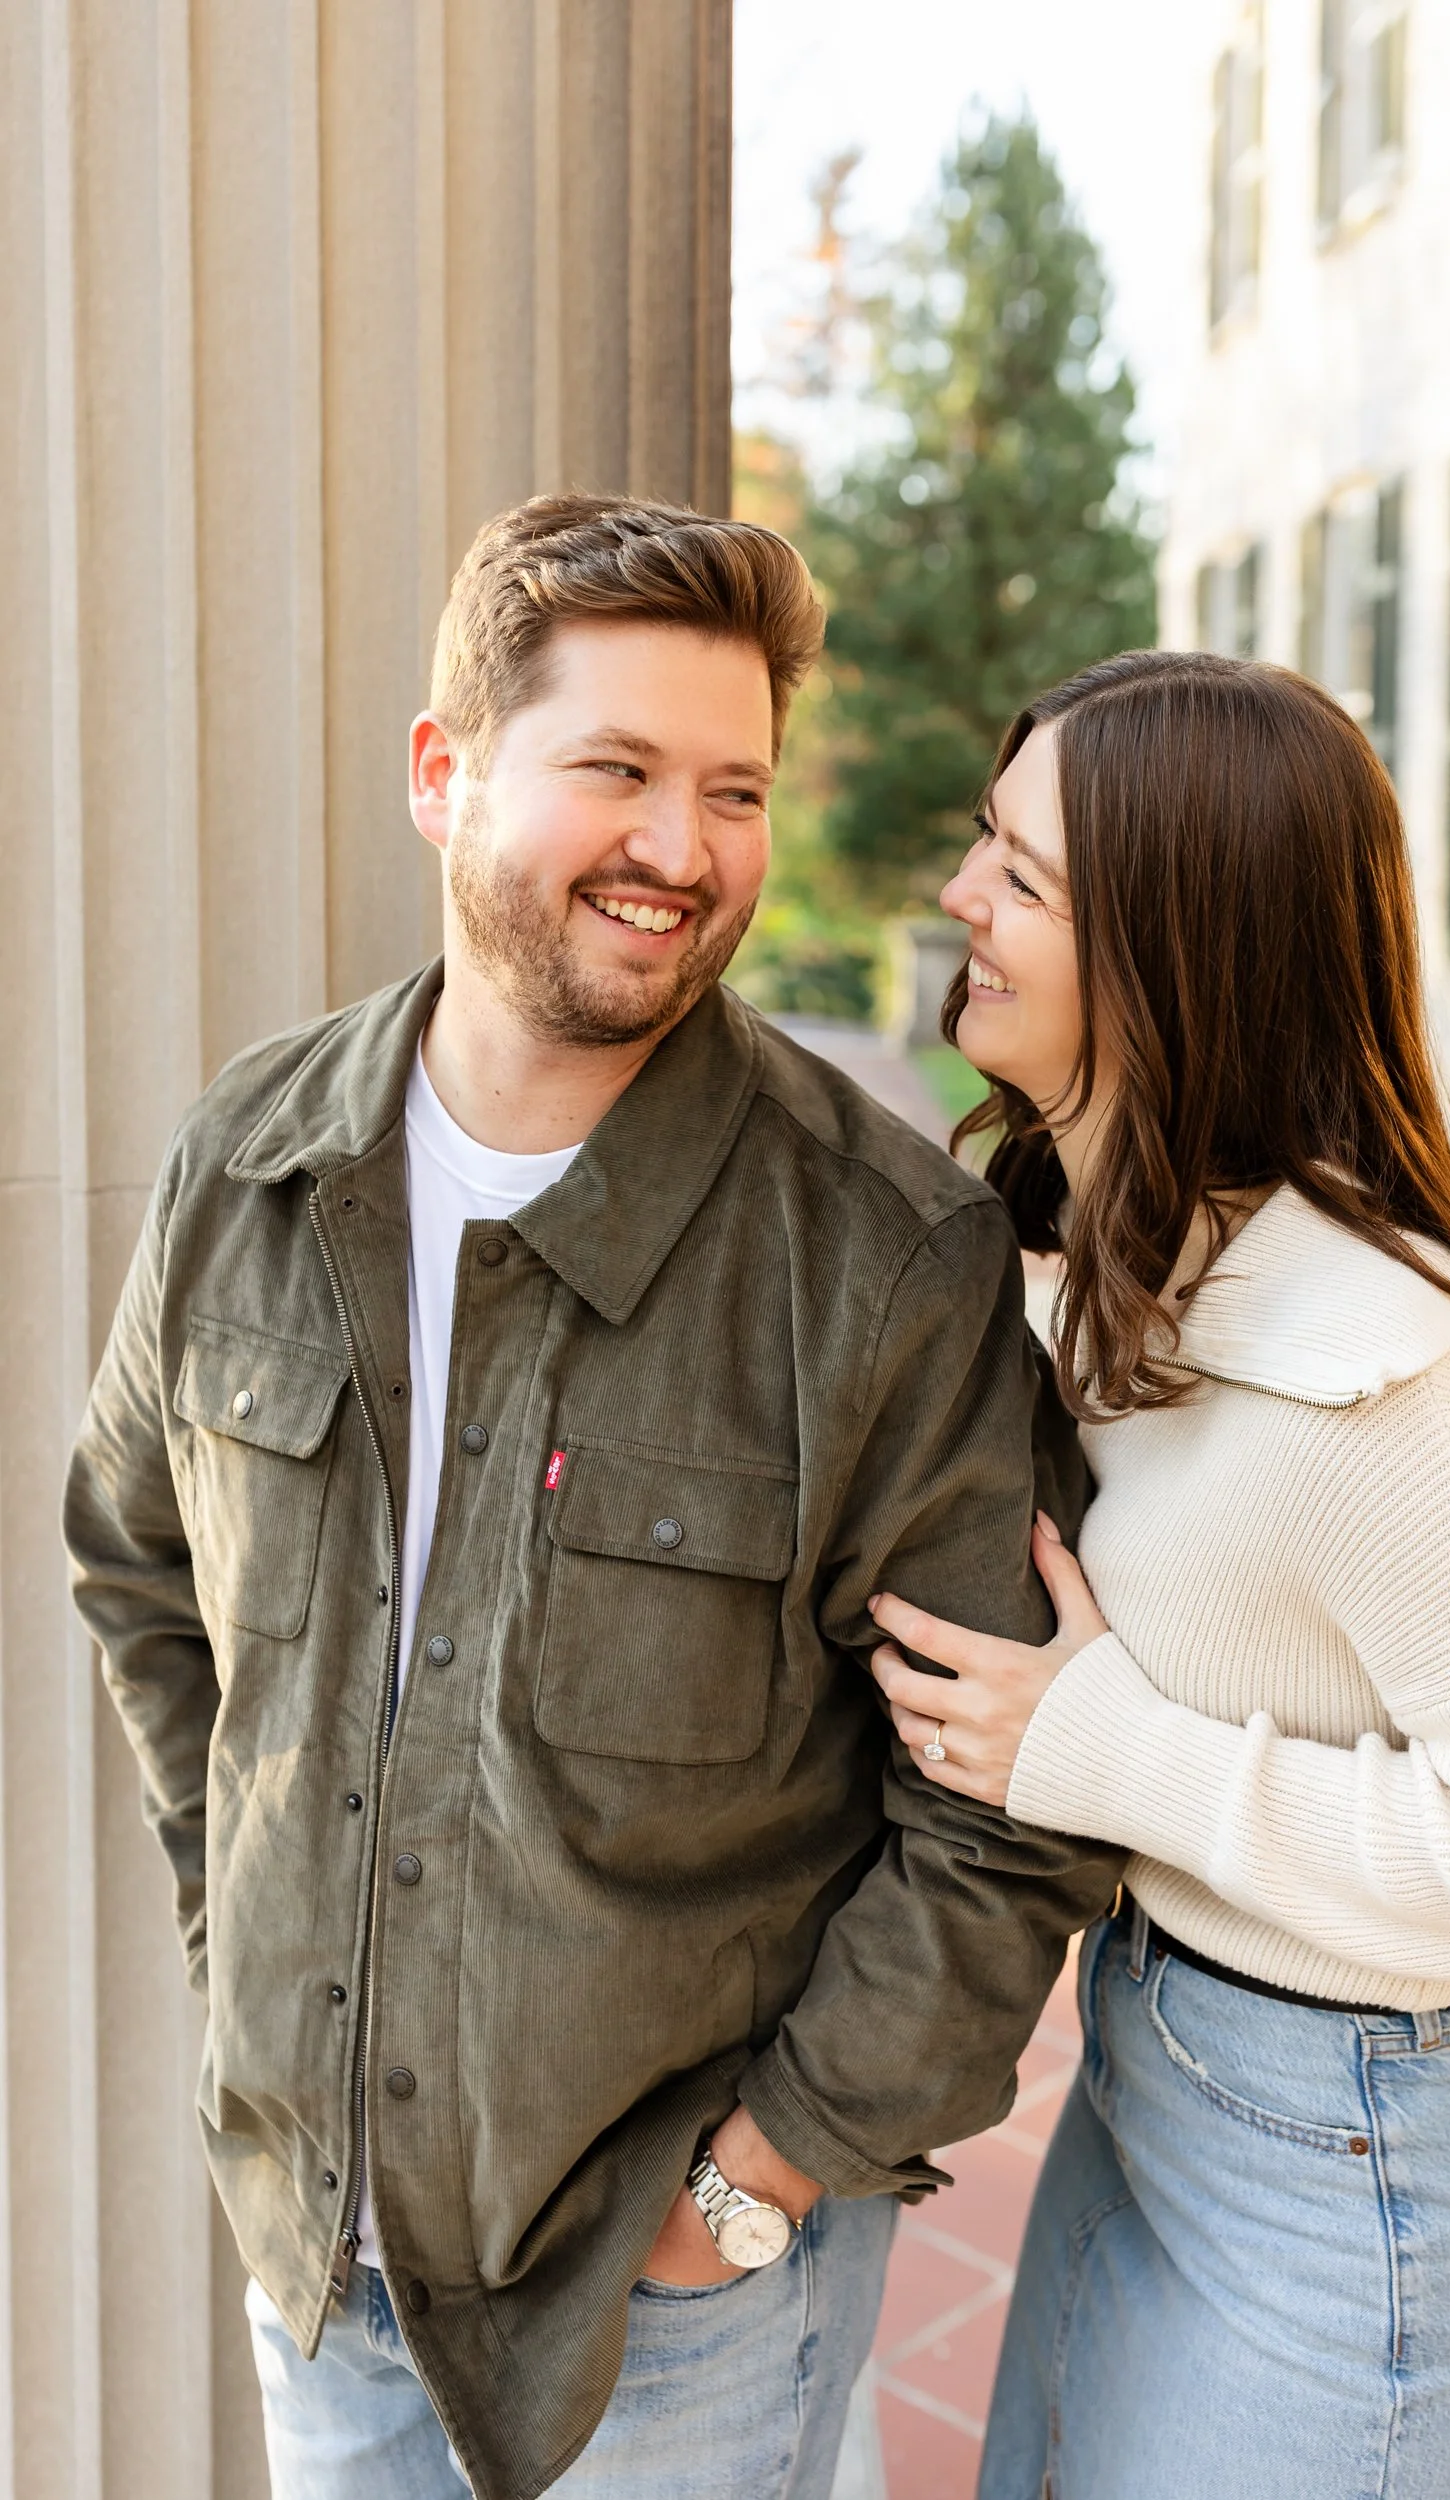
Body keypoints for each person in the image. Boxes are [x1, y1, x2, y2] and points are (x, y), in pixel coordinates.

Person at [63, 493, 1119, 2500]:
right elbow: (138, 1557)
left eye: (734, 788)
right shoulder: (249, 1163)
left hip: (678, 2304)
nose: (681, 847)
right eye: (616, 767)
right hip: (325, 2250)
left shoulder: (879, 1256)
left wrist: (759, 2175)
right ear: (443, 772)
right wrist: (246, 1927)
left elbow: (1003, 1802)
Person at [868, 649, 1450, 2500]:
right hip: (1166, 2071)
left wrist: (1111, 1754)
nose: (956, 900)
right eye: (984, 844)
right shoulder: (1116, 1248)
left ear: (1172, 953)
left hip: (1361, 2181)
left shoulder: (1378, 1366)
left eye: (1024, 879)